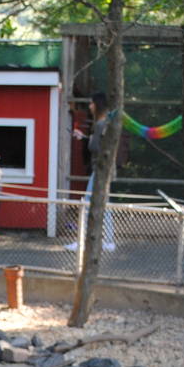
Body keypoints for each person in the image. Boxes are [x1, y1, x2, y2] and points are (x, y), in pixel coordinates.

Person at [67, 91, 117, 253]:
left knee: (88, 204)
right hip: (104, 170)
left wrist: (88, 140)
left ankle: (82, 241)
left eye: (91, 103)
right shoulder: (106, 123)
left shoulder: (101, 124)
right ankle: (108, 241)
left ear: (97, 105)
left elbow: (95, 147)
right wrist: (85, 137)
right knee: (105, 205)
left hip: (100, 171)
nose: (89, 106)